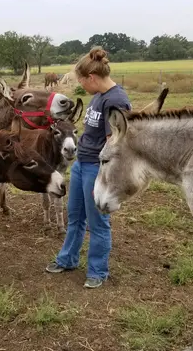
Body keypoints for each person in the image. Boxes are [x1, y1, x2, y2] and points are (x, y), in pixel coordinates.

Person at [45, 47, 131, 288]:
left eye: (81, 82)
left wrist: (105, 177)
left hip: (96, 170)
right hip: (82, 165)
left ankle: (97, 271)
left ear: (91, 78)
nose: (81, 86)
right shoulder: (98, 97)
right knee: (75, 216)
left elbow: (115, 143)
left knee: (97, 222)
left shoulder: (116, 101)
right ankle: (68, 259)